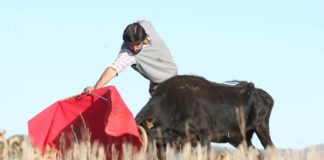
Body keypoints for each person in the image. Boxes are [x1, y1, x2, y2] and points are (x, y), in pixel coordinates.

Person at [83, 19, 177, 96]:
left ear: (144, 38)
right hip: (159, 86)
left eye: (137, 44)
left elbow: (142, 20)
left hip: (175, 76)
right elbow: (113, 69)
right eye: (131, 45)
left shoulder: (146, 25)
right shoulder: (128, 53)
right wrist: (95, 89)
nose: (134, 48)